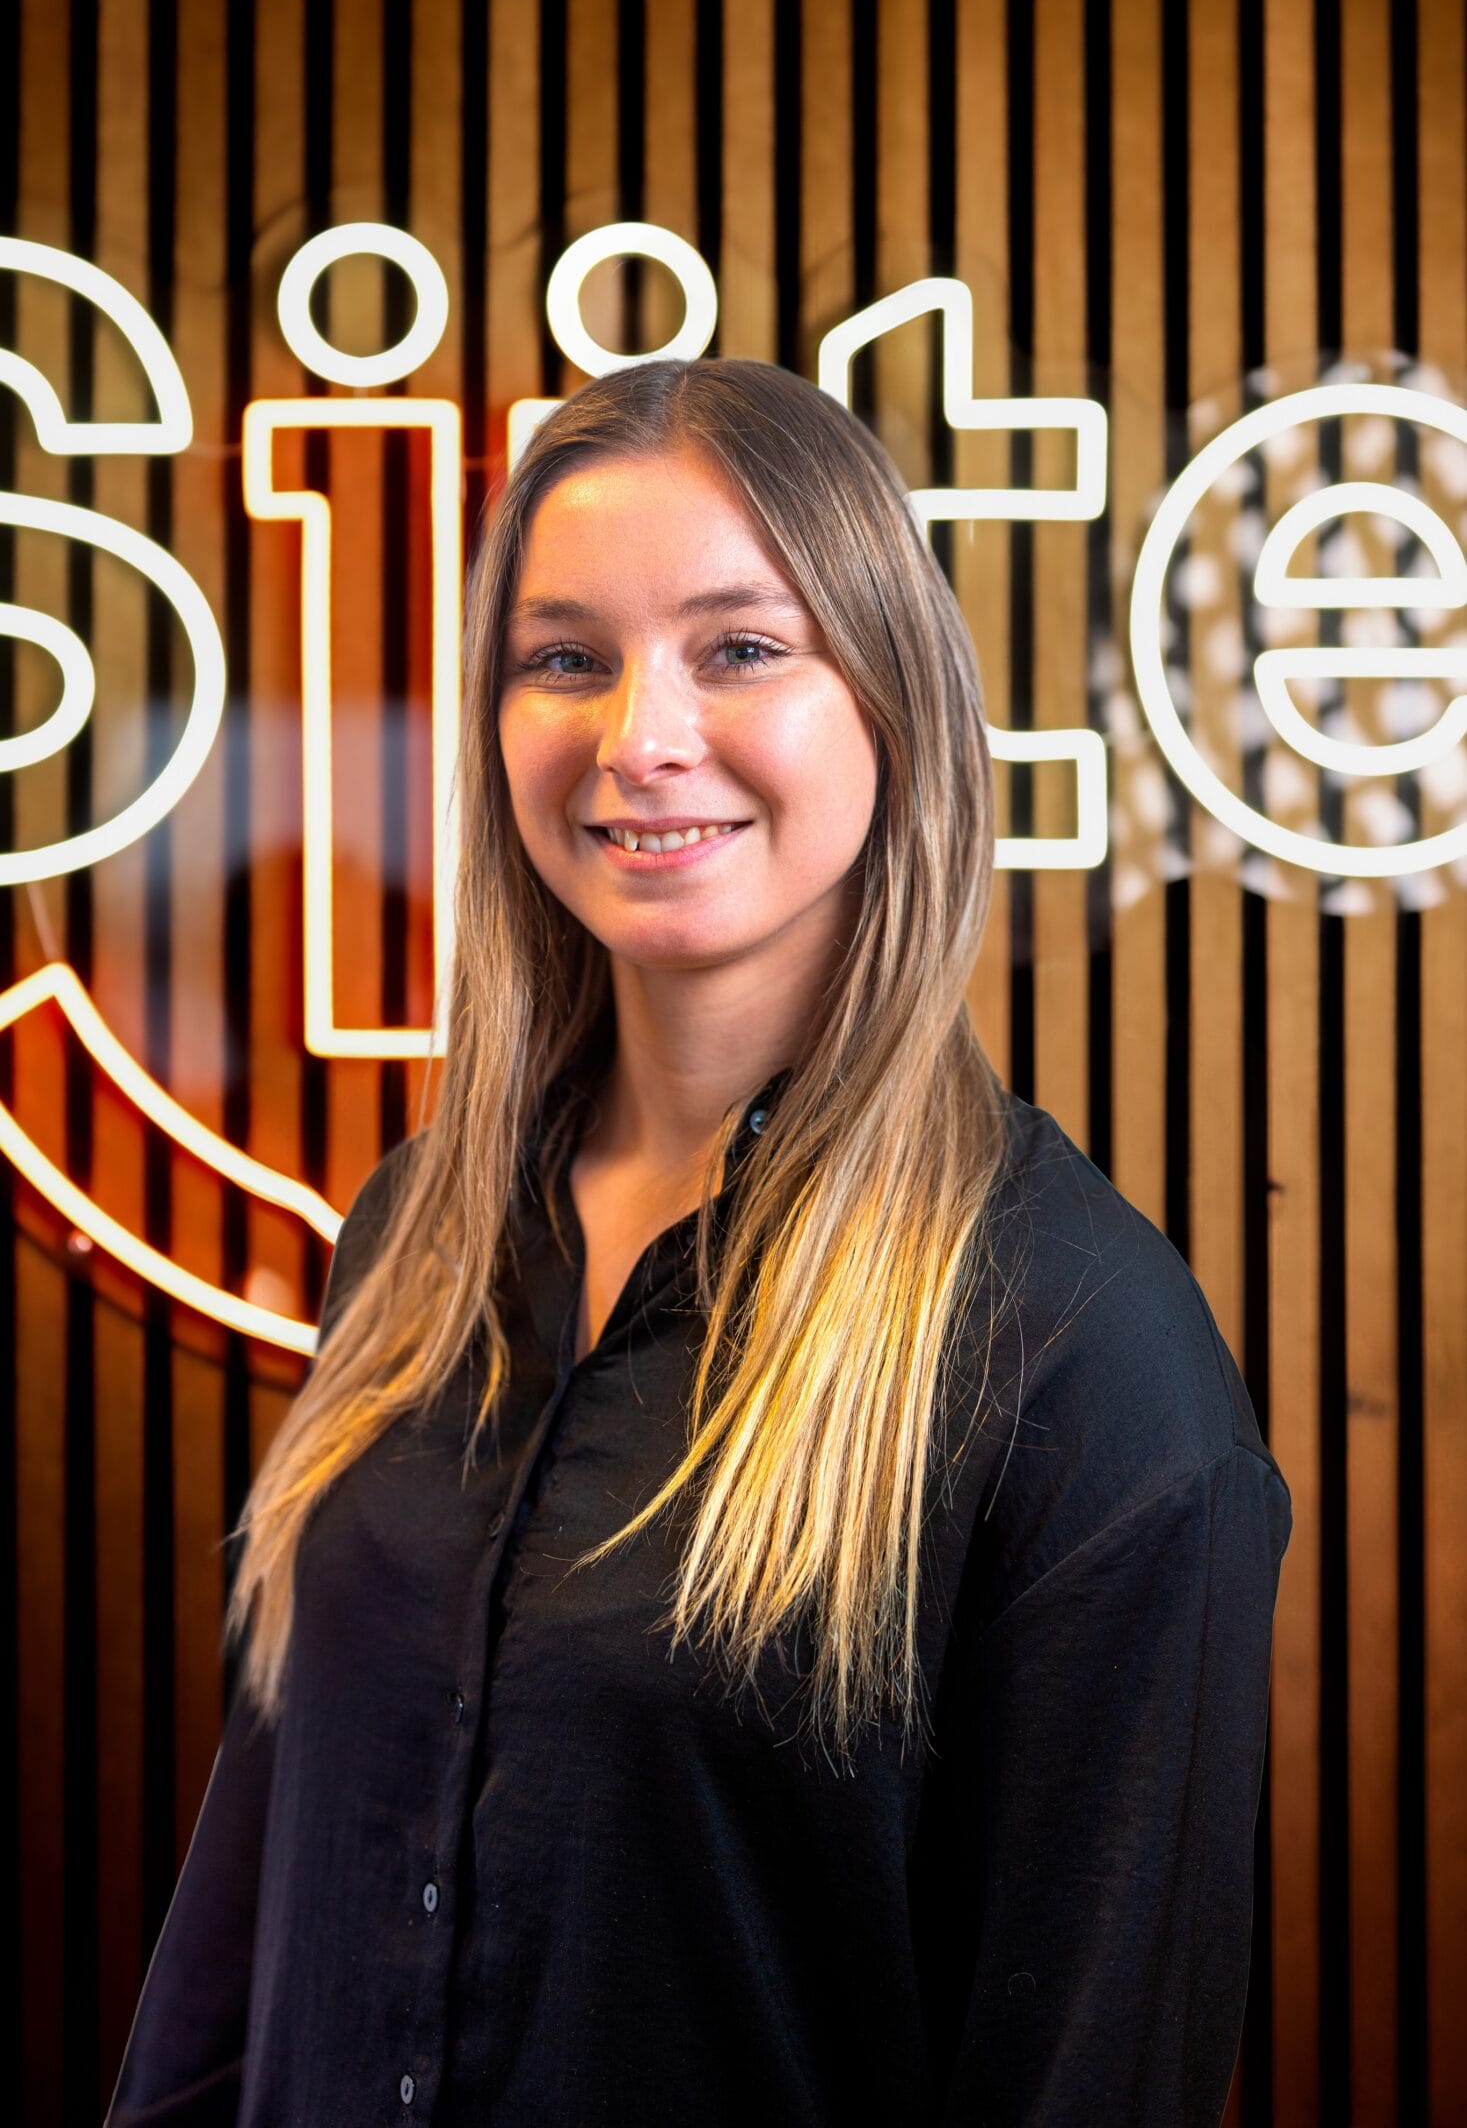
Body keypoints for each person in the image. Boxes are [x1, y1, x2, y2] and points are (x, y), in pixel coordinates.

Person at [105, 355, 1293, 2127]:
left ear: (890, 704)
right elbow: (252, 1914)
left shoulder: (1083, 1357)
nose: (638, 737)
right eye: (564, 658)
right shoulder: (415, 1232)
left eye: (741, 648)